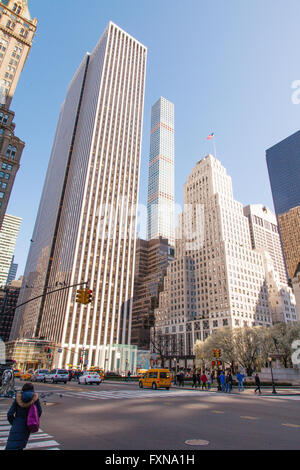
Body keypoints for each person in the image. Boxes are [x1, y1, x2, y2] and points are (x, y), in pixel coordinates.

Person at [5, 383, 42, 450]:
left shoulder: (18, 398)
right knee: (20, 445)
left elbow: (10, 414)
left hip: (17, 424)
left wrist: (14, 423)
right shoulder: (35, 398)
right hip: (28, 426)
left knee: (12, 446)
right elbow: (39, 412)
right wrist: (31, 420)